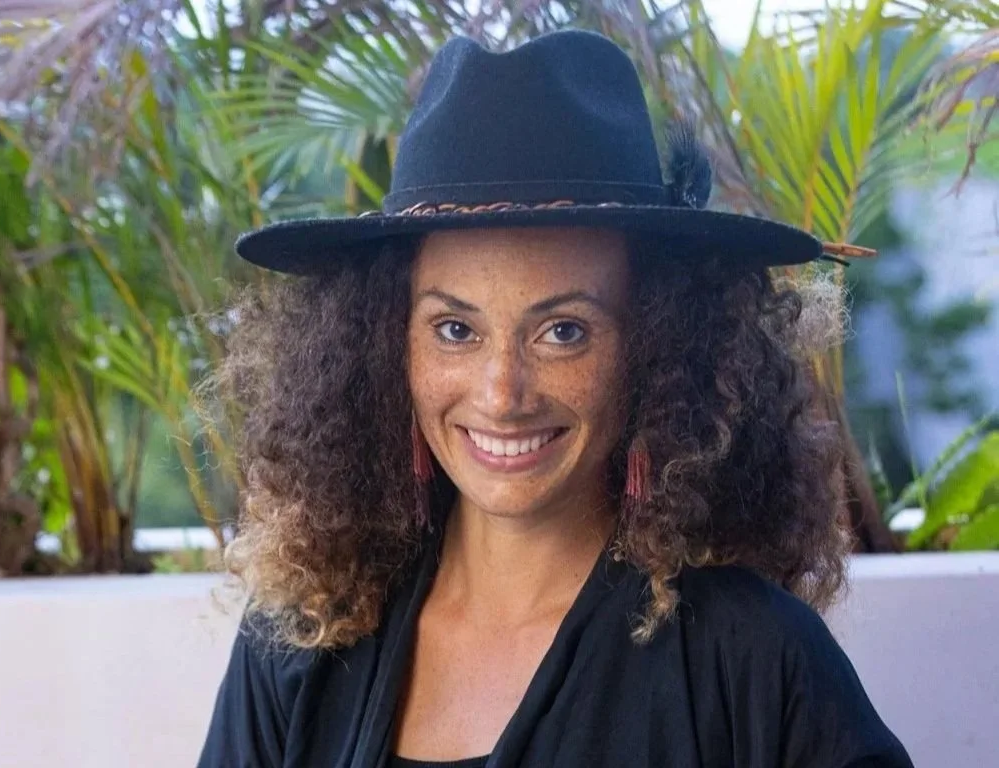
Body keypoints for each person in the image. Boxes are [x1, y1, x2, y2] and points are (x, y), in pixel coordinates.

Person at [197, 29, 912, 768]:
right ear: (385, 350)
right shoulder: (302, 641)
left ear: (659, 348)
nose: (502, 392)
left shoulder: (754, 659)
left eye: (563, 331)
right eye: (454, 329)